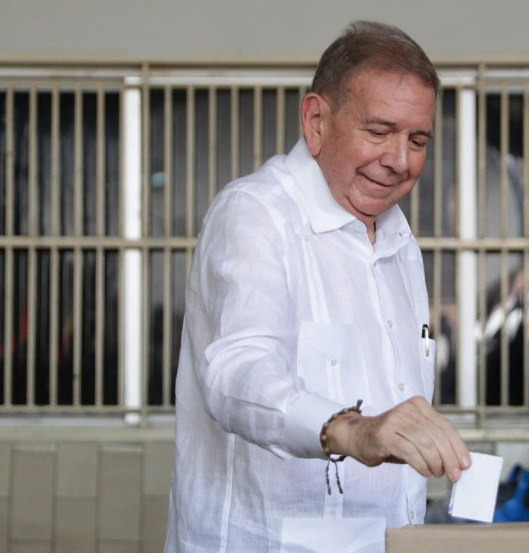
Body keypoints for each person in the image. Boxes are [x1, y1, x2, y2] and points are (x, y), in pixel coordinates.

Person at [164, 21, 472, 552]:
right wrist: (349, 431)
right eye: (378, 132)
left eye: (417, 139)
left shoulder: (400, 239)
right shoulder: (258, 214)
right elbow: (238, 370)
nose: (399, 160)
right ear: (316, 121)